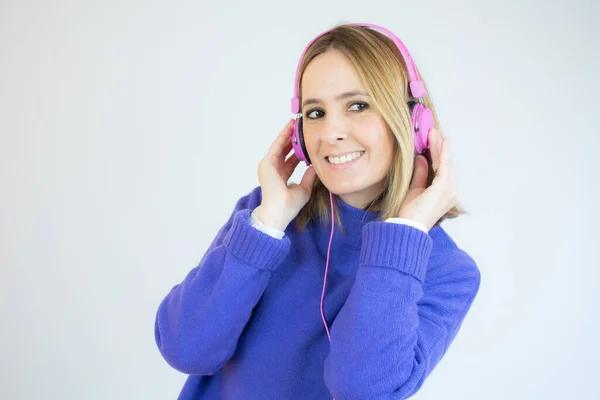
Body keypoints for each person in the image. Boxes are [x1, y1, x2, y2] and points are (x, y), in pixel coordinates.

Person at [154, 22, 481, 400]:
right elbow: (185, 348)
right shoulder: (265, 218)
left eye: (358, 105)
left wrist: (403, 236)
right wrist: (266, 226)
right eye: (315, 113)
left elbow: (361, 390)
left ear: (413, 123)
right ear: (298, 134)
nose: (330, 133)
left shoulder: (446, 271)